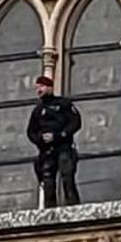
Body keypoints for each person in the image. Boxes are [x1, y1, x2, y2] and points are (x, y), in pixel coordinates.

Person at [26, 75, 81, 208]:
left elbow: (75, 123)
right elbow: (31, 132)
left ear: (50, 87)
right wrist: (41, 139)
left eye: (42, 87)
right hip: (46, 152)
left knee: (67, 176)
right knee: (48, 181)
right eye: (37, 87)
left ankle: (73, 206)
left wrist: (58, 136)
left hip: (64, 148)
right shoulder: (38, 111)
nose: (39, 90)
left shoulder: (64, 104)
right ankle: (49, 209)